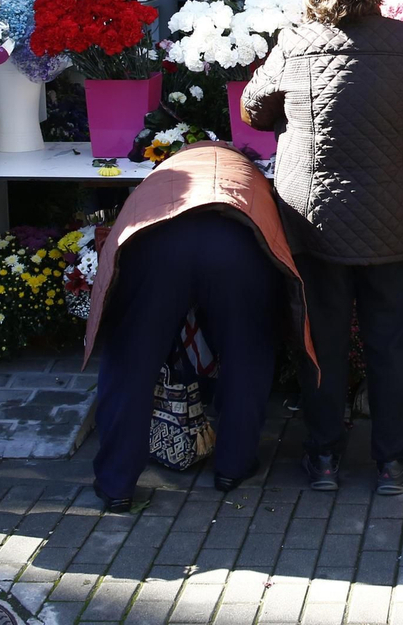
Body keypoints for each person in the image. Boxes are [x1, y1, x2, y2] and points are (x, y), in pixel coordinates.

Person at [242, 0, 403, 496]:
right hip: (396, 218)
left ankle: (324, 459)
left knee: (323, 342)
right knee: (389, 343)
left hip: (315, 222)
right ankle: (392, 462)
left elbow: (253, 110)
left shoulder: (294, 45)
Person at [84, 142, 317, 509]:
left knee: (131, 358)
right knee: (247, 348)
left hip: (154, 238)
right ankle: (233, 464)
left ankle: (116, 483)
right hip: (235, 239)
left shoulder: (164, 171)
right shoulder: (249, 173)